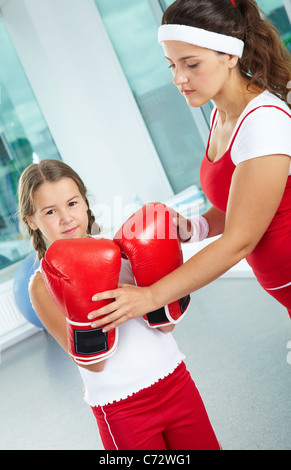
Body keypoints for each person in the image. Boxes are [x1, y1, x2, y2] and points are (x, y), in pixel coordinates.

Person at [87, 0, 291, 332]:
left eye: (191, 64)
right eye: (171, 65)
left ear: (230, 55)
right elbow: (245, 203)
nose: (179, 78)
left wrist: (151, 296)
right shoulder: (221, 116)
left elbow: (240, 240)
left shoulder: (263, 121)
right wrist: (195, 227)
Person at [17, 159, 220, 451]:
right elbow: (94, 363)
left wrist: (161, 264)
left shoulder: (123, 249)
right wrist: (89, 294)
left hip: (175, 381)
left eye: (72, 203)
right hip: (123, 409)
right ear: (32, 221)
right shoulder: (40, 284)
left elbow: (167, 325)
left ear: (85, 204)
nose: (66, 218)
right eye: (50, 211)